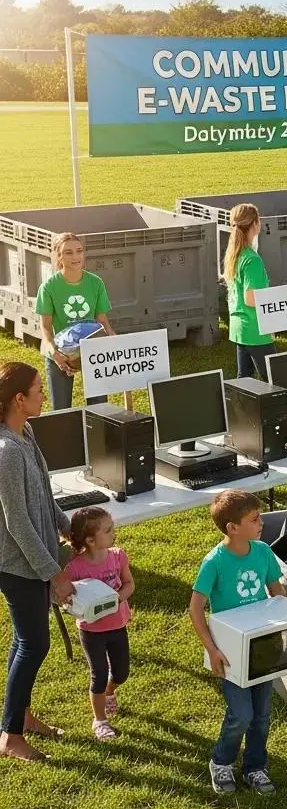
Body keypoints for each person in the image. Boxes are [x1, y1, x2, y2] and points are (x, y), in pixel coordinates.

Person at [189, 490, 286, 796]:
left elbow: (277, 591)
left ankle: (256, 766)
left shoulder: (263, 553)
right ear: (232, 528)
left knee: (261, 714)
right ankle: (221, 761)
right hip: (232, 651)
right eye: (254, 519)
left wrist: (284, 621)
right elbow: (195, 608)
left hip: (262, 644)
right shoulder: (214, 562)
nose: (261, 523)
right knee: (241, 714)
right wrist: (212, 649)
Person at [0, 362, 73, 763]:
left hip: (35, 558)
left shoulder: (26, 433)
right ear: (18, 399)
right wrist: (54, 572)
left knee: (24, 639)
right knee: (34, 643)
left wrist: (67, 528)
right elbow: (16, 521)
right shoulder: (7, 452)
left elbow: (43, 493)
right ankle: (10, 737)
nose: (44, 395)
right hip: (16, 563)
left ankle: (20, 715)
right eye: (38, 390)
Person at [64, 507, 134, 741]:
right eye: (108, 530)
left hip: (117, 625)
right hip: (91, 630)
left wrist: (115, 600)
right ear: (91, 540)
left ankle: (110, 692)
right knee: (99, 673)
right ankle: (100, 721)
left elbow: (129, 584)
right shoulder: (75, 568)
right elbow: (67, 598)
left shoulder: (118, 556)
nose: (114, 532)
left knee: (122, 672)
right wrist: (74, 604)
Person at [36, 232, 115, 410]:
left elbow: (103, 321)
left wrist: (112, 340)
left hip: (93, 351)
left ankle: (97, 437)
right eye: (68, 252)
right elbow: (46, 329)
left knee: (99, 408)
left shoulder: (96, 283)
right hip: (61, 354)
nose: (76, 256)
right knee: (61, 410)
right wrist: (55, 355)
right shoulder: (48, 287)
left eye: (79, 251)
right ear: (59, 256)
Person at [222, 203, 275, 381]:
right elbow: (251, 298)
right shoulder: (253, 260)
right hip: (255, 328)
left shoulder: (235, 254)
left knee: (244, 379)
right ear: (255, 224)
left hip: (239, 327)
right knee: (274, 379)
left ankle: (239, 410)